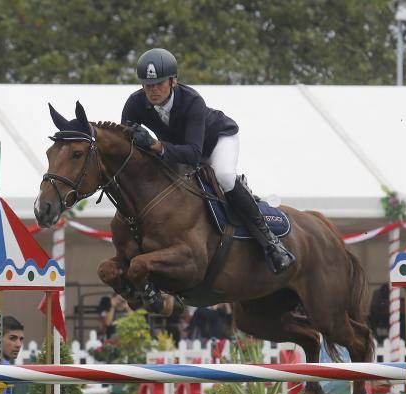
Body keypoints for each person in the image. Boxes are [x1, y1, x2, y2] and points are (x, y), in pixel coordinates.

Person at [121, 48, 295, 274]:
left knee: (223, 175)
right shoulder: (135, 103)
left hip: (216, 141)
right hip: (176, 149)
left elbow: (194, 154)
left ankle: (271, 244)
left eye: (159, 84)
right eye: (147, 85)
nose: (152, 91)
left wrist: (156, 145)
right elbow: (128, 144)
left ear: (173, 81)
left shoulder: (192, 101)